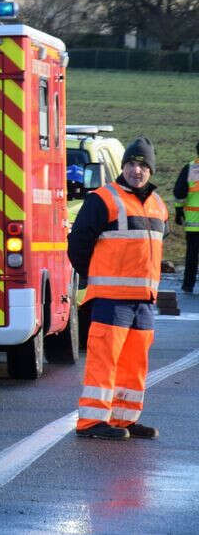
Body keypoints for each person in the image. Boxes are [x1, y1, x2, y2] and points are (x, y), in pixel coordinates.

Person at [68, 135, 168, 440]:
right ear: (123, 166)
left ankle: (124, 419)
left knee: (134, 365)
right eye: (131, 164)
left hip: (144, 301)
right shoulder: (103, 199)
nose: (136, 170)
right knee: (104, 362)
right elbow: (78, 244)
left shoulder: (158, 205)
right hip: (111, 299)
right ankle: (91, 422)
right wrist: (93, 275)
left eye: (142, 165)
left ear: (151, 170)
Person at [175, 140, 199, 294]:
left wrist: (178, 211)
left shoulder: (191, 168)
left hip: (193, 222)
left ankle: (188, 285)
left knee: (192, 255)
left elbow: (179, 193)